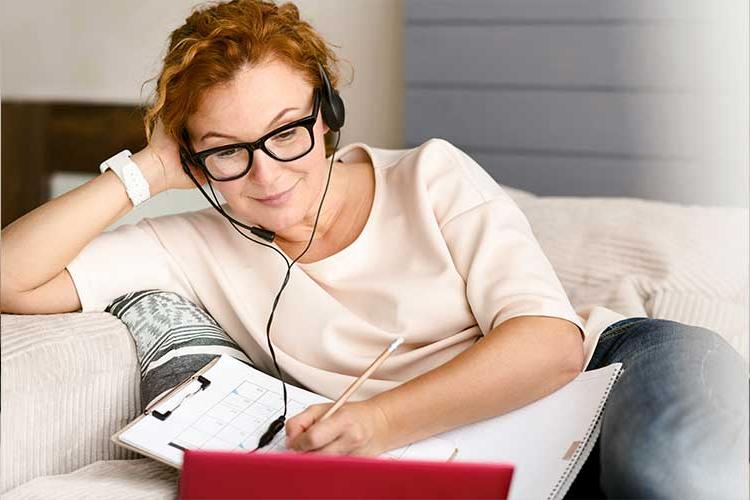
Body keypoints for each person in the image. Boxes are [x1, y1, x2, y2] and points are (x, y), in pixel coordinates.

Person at [1, 0, 746, 497]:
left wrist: (380, 423)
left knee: (669, 475)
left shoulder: (429, 173)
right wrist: (147, 170)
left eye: (286, 132)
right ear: (196, 163)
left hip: (615, 368)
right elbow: (12, 280)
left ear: (326, 116)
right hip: (489, 453)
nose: (267, 174)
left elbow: (549, 346)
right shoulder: (193, 244)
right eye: (226, 152)